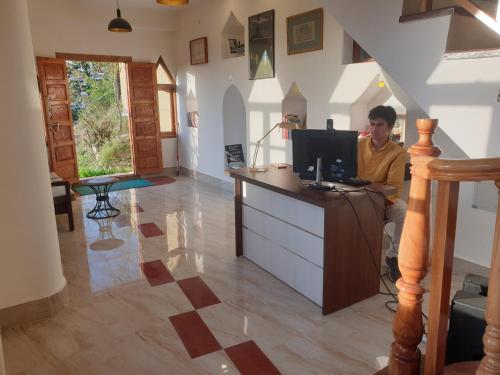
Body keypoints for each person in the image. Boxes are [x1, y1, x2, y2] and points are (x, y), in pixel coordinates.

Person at [357, 105, 407, 282]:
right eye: (371, 124)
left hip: (381, 198)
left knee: (404, 213)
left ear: (390, 128)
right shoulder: (358, 144)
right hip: (354, 194)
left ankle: (393, 256)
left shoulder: (398, 153)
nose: (374, 129)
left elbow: (394, 186)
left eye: (379, 125)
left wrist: (378, 201)